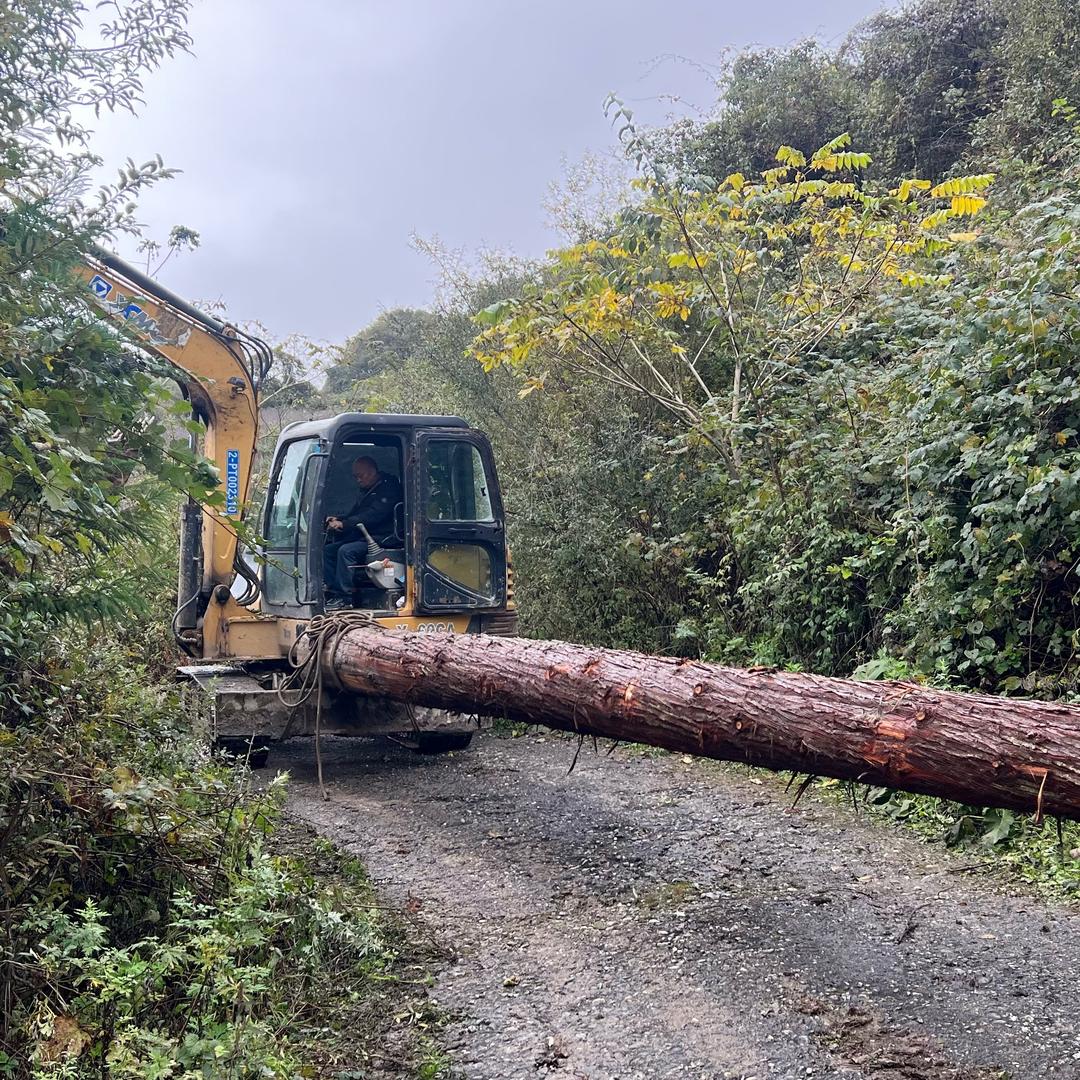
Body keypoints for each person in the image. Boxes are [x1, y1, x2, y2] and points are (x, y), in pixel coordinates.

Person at [323, 456, 402, 605]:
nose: (358, 480)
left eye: (360, 475)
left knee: (346, 551)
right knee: (328, 551)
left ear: (372, 472)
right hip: (365, 536)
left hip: (383, 537)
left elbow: (373, 515)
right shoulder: (369, 489)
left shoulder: (388, 490)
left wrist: (345, 524)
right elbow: (357, 513)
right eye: (355, 476)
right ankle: (332, 592)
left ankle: (344, 597)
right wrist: (339, 519)